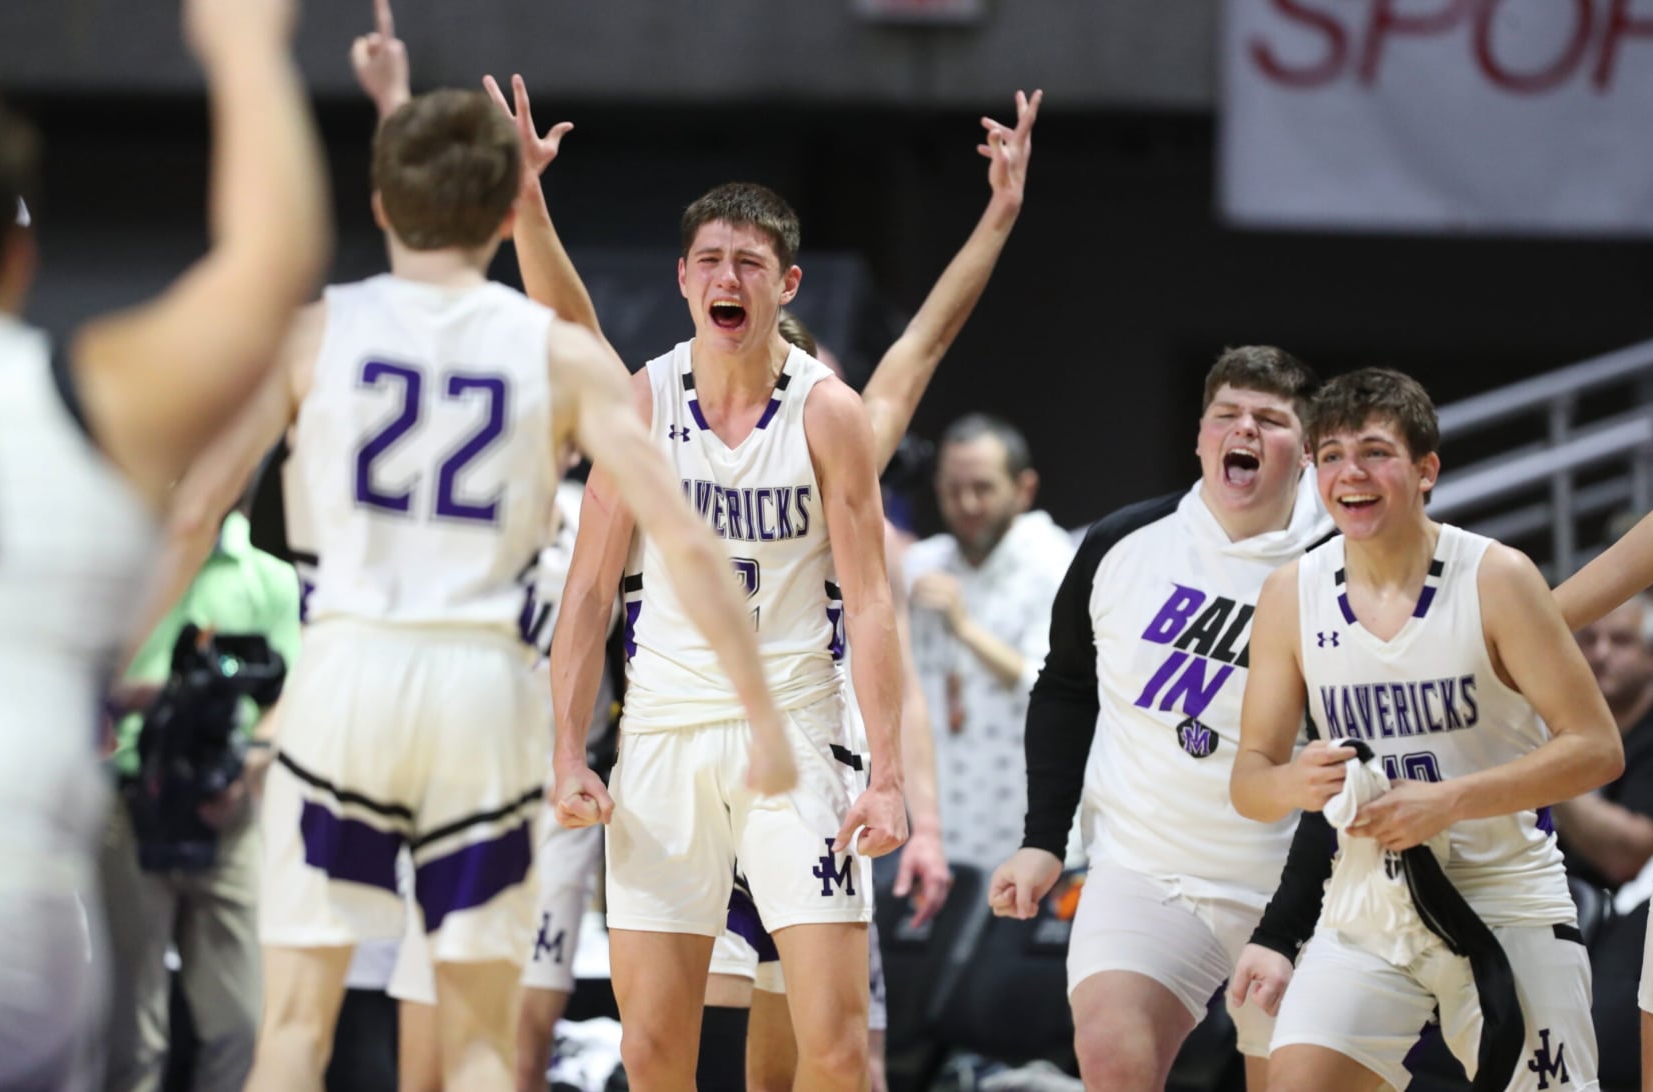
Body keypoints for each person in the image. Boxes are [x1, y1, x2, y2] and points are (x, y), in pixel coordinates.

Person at [161, 46, 792, 1092]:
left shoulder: (319, 331)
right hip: (480, 697)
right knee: (488, 1044)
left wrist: (91, 661)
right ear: (508, 213)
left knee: (291, 1032)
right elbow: (686, 538)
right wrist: (769, 723)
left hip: (345, 678)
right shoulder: (559, 358)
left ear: (378, 202)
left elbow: (192, 513)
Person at [480, 72, 1038, 1092]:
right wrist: (567, 748)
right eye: (712, 261)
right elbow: (566, 324)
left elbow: (920, 357)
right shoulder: (645, 400)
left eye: (751, 263)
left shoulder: (832, 420)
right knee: (654, 1049)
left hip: (797, 734)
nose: (728, 278)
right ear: (687, 279)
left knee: (826, 1051)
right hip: (663, 737)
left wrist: (999, 214)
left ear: (787, 291)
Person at [0, 0, 329, 1085]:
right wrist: (243, 48)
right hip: (12, 886)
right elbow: (273, 269)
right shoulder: (73, 405)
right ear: (21, 250)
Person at [1229, 366, 1622, 1092]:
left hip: (1502, 894)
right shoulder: (1291, 594)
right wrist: (1292, 779)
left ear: (1425, 470)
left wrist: (1451, 799)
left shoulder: (1497, 577)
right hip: (1368, 905)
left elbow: (1598, 749)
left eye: (1376, 451)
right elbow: (1249, 782)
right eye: (1334, 455)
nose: (1353, 473)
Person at [988, 346, 1330, 1092]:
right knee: (1112, 1053)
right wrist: (1044, 839)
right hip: (1147, 869)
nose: (1243, 429)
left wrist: (1283, 926)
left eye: (1269, 420)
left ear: (1305, 452)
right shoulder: (1120, 543)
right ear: (1201, 437)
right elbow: (1066, 688)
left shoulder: (1338, 568)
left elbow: (1349, 760)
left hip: (1299, 883)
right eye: (1226, 415)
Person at [100, 507, 302, 1092]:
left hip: (228, 803)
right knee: (133, 1031)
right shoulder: (129, 563)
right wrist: (158, 699)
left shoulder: (268, 579)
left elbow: (287, 693)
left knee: (240, 1023)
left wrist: (245, 768)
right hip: (132, 797)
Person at [906, 413, 1073, 874]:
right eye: (952, 489)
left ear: (1024, 490)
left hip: (1028, 829)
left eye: (982, 487)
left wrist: (964, 627)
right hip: (938, 827)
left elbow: (1051, 687)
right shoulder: (920, 565)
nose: (966, 503)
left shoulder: (1055, 562)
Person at [1557, 592, 1653, 892]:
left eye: (1621, 640)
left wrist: (1542, 774)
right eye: (1588, 640)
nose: (1600, 653)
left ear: (1651, 657)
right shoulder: (1567, 721)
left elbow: (1630, 856)